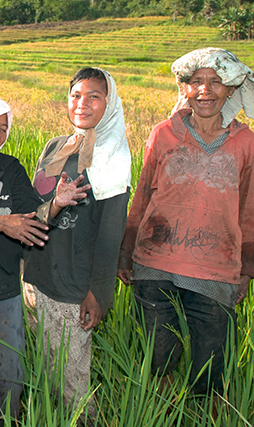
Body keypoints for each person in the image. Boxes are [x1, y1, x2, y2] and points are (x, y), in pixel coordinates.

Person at [117, 48, 254, 395]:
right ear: (185, 89)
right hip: (154, 266)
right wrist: (126, 250)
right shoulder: (163, 133)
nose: (206, 91)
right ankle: (157, 414)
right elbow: (144, 195)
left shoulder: (246, 142)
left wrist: (247, 269)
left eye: (216, 83)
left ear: (231, 90)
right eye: (197, 82)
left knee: (210, 370)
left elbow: (249, 210)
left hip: (215, 270)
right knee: (157, 362)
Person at [0, 95, 90, 418]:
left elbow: (30, 218)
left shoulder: (9, 168)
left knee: (7, 378)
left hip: (3, 290)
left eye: (3, 127)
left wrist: (54, 205)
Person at [23, 68, 131, 422]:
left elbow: (111, 233)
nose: (82, 103)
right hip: (36, 275)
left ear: (110, 102)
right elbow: (36, 207)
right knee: (41, 372)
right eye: (75, 95)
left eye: (94, 96)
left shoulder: (112, 157)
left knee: (73, 384)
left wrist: (98, 293)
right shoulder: (56, 145)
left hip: (74, 285)